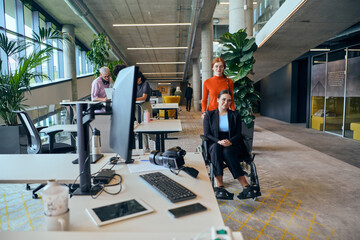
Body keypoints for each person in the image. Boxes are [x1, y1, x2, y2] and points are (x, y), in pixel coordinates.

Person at [203, 89, 259, 200]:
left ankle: (245, 185)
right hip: (215, 142)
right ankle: (220, 186)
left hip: (232, 143)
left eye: (229, 100)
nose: (226, 102)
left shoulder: (235, 115)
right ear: (218, 100)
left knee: (227, 151)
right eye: (223, 99)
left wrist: (231, 141)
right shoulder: (209, 115)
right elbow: (207, 134)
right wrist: (219, 141)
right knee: (216, 148)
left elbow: (238, 134)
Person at [136, 71, 153, 152]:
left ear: (139, 78)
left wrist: (132, 99)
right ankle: (146, 147)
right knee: (141, 127)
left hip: (145, 106)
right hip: (137, 108)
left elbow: (144, 97)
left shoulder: (145, 84)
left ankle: (157, 140)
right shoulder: (134, 85)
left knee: (148, 127)